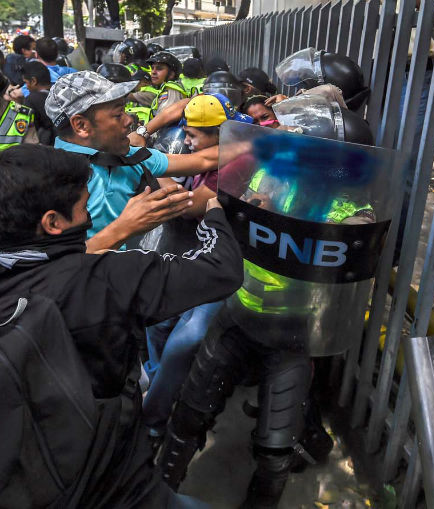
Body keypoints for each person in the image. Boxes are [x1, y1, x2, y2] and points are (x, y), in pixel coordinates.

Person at [0, 143, 242, 507]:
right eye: (84, 207)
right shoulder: (105, 278)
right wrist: (214, 209)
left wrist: (116, 232)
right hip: (103, 481)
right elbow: (221, 269)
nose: (89, 216)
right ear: (53, 222)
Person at [157, 100, 377, 508]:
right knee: (189, 416)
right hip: (240, 312)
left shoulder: (350, 208)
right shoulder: (271, 177)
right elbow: (244, 211)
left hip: (291, 329)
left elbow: (356, 247)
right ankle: (157, 492)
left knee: (276, 447)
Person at [143, 94, 253, 443]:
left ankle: (154, 421)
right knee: (158, 324)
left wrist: (152, 173)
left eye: (193, 134)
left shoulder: (236, 164)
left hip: (218, 265)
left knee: (185, 340)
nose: (186, 139)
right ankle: (158, 381)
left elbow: (190, 206)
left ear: (220, 133)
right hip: (187, 257)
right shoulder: (203, 158)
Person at [46, 71, 224, 251]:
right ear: (81, 126)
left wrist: (249, 145)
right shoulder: (49, 182)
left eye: (124, 110)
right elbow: (58, 266)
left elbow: (202, 161)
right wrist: (124, 228)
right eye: (118, 114)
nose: (128, 120)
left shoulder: (127, 155)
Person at [21, 61, 54, 144]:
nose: (26, 87)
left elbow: (27, 132)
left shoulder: (31, 100)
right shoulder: (60, 92)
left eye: (26, 82)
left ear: (33, 81)